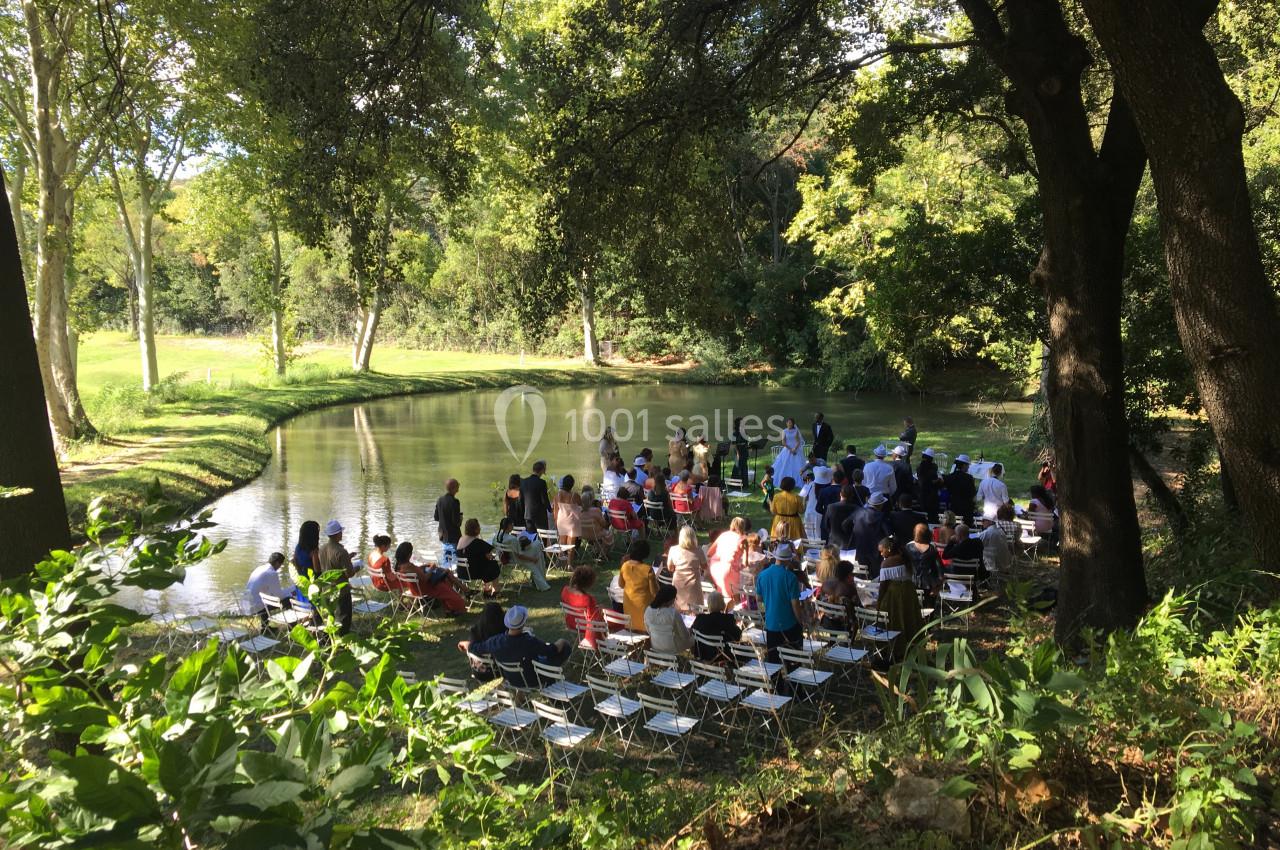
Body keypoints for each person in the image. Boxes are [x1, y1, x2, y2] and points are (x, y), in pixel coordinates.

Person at [457, 605, 572, 689]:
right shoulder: (528, 641)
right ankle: (553, 689)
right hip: (532, 678)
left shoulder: (495, 641)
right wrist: (561, 642)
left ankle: (525, 696)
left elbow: (476, 648)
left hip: (511, 678)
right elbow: (550, 651)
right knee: (564, 649)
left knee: (540, 662)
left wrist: (467, 645)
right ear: (523, 623)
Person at [755, 542, 804, 663]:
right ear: (788, 560)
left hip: (771, 624)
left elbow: (759, 598)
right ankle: (794, 681)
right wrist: (801, 621)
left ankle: (777, 682)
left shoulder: (762, 575)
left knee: (774, 661)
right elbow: (795, 605)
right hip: (789, 624)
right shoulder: (790, 577)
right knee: (793, 659)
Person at [876, 536, 922, 662]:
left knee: (896, 620)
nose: (881, 554)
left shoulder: (887, 563)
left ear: (889, 549)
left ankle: (897, 649)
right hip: (909, 593)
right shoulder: (906, 559)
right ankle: (912, 645)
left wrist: (879, 603)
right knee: (909, 618)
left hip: (894, 595)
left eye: (882, 551)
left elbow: (883, 586)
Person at [394, 541, 468, 614]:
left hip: (414, 589)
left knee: (445, 578)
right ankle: (458, 602)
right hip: (424, 589)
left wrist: (424, 566)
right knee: (445, 581)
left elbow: (415, 571)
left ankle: (450, 606)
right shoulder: (410, 566)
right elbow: (425, 578)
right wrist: (432, 567)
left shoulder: (399, 566)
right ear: (408, 554)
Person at [316, 519, 357, 634]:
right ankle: (342, 642)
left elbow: (331, 564)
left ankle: (329, 638)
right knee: (343, 618)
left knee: (331, 616)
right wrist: (357, 567)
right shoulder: (341, 551)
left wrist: (347, 558)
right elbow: (349, 573)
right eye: (341, 532)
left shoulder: (322, 548)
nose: (342, 534)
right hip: (340, 590)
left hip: (326, 589)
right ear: (337, 534)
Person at [561, 565, 606, 647]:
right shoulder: (588, 599)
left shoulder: (565, 590)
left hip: (570, 623)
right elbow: (591, 619)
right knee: (607, 619)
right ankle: (603, 644)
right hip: (584, 627)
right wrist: (600, 610)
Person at [846, 492, 891, 573]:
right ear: (880, 505)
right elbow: (888, 533)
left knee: (863, 574)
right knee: (876, 574)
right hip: (876, 551)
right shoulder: (881, 516)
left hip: (859, 548)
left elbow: (845, 524)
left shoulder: (858, 512)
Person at [245, 552, 294, 627]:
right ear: (277, 563)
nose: (280, 567)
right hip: (257, 607)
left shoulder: (259, 568)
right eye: (281, 565)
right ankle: (292, 627)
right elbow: (279, 596)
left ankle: (265, 627)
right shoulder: (272, 573)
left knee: (265, 598)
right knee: (289, 600)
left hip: (247, 604)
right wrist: (291, 592)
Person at [619, 540, 658, 631]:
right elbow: (654, 592)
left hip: (629, 609)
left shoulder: (624, 566)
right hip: (644, 610)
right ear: (645, 553)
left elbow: (621, 585)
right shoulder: (648, 569)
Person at [668, 525, 709, 613]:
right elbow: (705, 566)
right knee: (695, 610)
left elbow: (670, 568)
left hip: (678, 583)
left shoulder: (673, 549)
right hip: (693, 584)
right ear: (693, 537)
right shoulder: (698, 550)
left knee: (678, 610)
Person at [691, 591, 742, 662]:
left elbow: (692, 632)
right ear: (722, 604)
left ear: (709, 604)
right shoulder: (727, 619)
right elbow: (738, 637)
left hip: (702, 654)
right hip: (722, 657)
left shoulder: (700, 618)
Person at [457, 518, 501, 596]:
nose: (480, 528)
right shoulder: (477, 542)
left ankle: (487, 589)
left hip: (462, 572)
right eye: (479, 527)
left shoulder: (461, 539)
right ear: (476, 530)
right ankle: (495, 591)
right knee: (493, 564)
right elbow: (490, 554)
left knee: (484, 563)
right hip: (473, 573)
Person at [707, 516, 749, 598]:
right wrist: (739, 567)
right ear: (743, 527)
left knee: (721, 593)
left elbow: (709, 553)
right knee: (734, 597)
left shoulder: (723, 534)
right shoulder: (743, 540)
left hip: (715, 567)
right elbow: (745, 563)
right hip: (729, 568)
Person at [645, 584, 693, 653]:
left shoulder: (648, 610)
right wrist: (690, 631)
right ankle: (693, 661)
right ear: (670, 600)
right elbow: (685, 636)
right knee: (694, 639)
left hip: (655, 645)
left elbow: (649, 630)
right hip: (673, 648)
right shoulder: (673, 613)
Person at [906, 523, 944, 605]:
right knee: (929, 609)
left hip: (912, 583)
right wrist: (938, 586)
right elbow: (940, 569)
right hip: (929, 585)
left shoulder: (908, 547)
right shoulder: (932, 549)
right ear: (928, 534)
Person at [467, 602, 507, 681]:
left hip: (480, 672)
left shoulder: (475, 631)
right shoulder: (503, 632)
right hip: (500, 672)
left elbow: (471, 648)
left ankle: (500, 689)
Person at [553, 474, 583, 566]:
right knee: (571, 544)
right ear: (572, 484)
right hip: (572, 521)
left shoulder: (557, 495)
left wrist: (556, 521)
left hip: (561, 520)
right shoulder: (575, 495)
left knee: (561, 542)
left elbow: (555, 511)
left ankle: (560, 561)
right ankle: (569, 564)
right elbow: (581, 507)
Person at [822, 484, 861, 550]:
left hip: (834, 543)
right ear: (852, 496)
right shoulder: (857, 509)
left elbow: (826, 525)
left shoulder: (831, 507)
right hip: (851, 544)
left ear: (840, 494)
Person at [944, 455, 977, 525]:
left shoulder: (949, 477)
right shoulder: (969, 478)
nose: (968, 467)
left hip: (954, 509)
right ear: (964, 465)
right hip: (967, 511)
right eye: (968, 465)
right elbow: (973, 495)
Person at [521, 460, 554, 532]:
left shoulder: (523, 482)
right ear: (542, 470)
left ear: (533, 470)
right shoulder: (541, 482)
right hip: (540, 516)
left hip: (527, 515)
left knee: (530, 537)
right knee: (543, 537)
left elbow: (521, 499)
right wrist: (550, 509)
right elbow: (544, 499)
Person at [769, 476, 805, 542]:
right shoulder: (796, 497)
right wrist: (804, 502)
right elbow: (801, 511)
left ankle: (776, 550)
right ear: (793, 486)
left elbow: (773, 511)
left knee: (777, 539)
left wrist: (770, 502)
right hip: (793, 521)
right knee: (794, 540)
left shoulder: (776, 496)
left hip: (779, 521)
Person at [773, 417, 807, 485]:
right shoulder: (784, 431)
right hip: (787, 449)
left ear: (793, 424)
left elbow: (798, 441)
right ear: (786, 423)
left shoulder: (796, 431)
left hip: (796, 449)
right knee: (784, 465)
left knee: (798, 465)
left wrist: (794, 449)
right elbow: (783, 442)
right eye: (788, 422)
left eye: (790, 422)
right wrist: (790, 449)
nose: (789, 424)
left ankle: (797, 480)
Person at [916, 448, 943, 520]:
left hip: (923, 495)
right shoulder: (933, 467)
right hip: (933, 496)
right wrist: (938, 480)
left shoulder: (920, 467)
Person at [731, 417, 750, 482]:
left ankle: (744, 483)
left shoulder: (745, 432)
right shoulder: (734, 434)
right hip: (738, 451)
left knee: (744, 466)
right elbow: (734, 445)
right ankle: (735, 483)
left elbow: (747, 442)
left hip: (744, 450)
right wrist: (737, 453)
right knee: (737, 466)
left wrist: (749, 448)